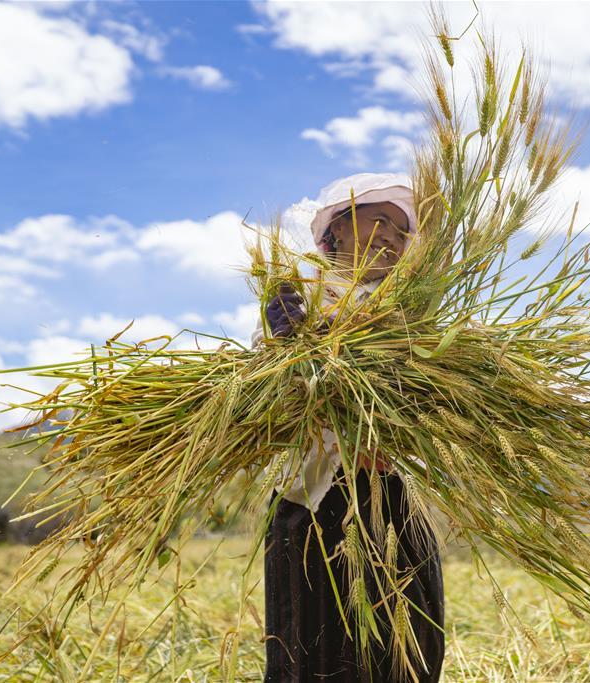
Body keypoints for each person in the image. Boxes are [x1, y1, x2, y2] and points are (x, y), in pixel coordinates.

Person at [251, 173, 445, 682]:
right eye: (378, 219)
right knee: (314, 651)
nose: (390, 236)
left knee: (407, 650)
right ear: (335, 228)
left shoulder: (413, 313)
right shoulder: (300, 293)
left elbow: (434, 398)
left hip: (397, 497)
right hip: (315, 500)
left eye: (402, 232)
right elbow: (261, 392)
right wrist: (289, 346)